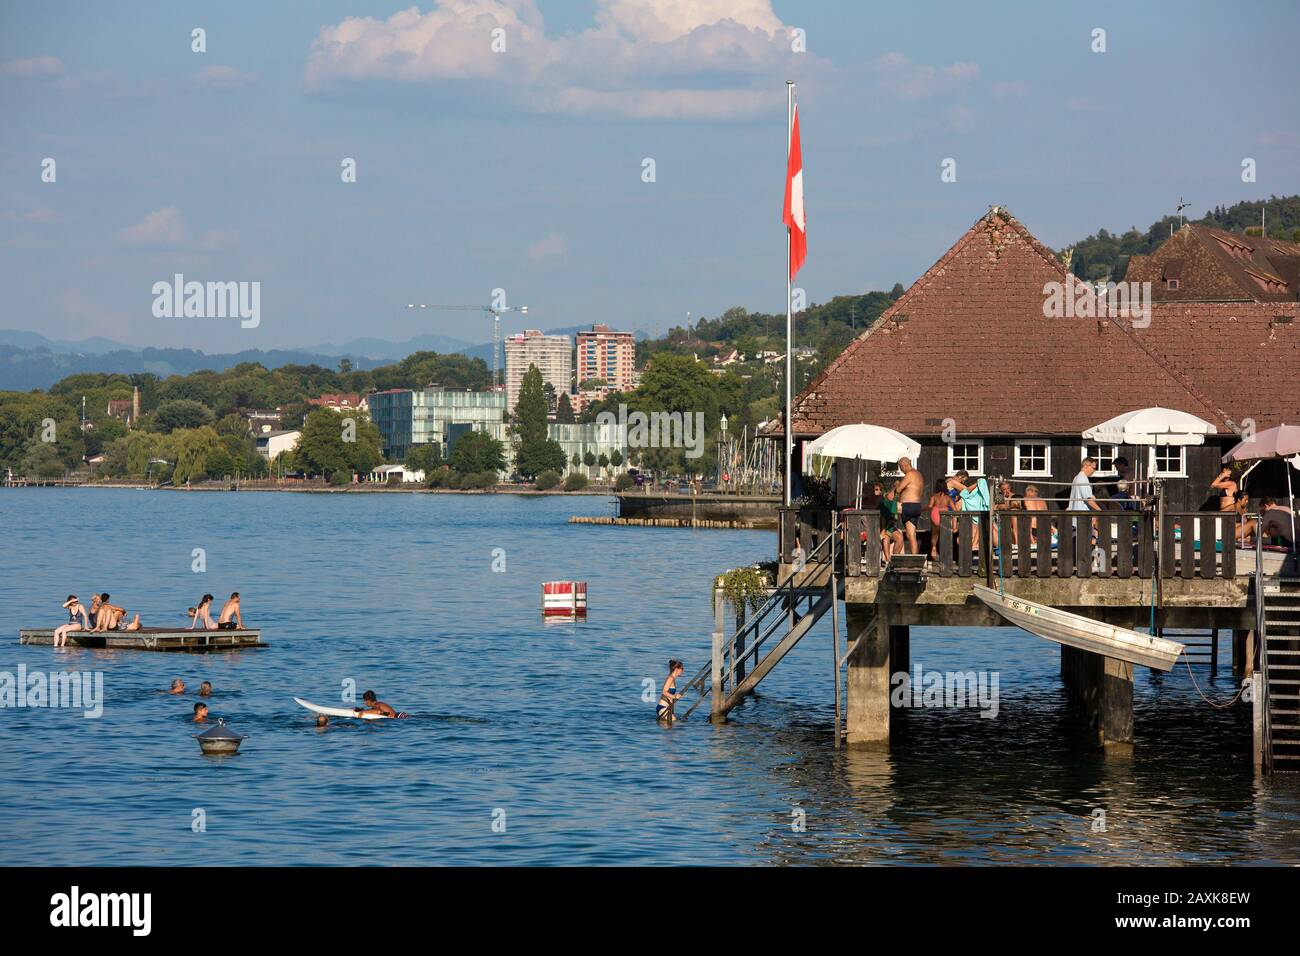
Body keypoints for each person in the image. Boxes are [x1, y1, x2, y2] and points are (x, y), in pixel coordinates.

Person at [895, 457, 924, 555]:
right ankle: (914, 558)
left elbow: (898, 490)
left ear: (903, 466)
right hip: (917, 506)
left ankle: (886, 531)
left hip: (908, 506)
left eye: (901, 468)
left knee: (887, 507)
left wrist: (897, 484)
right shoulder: (919, 474)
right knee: (911, 535)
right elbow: (920, 492)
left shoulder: (909, 474)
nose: (902, 471)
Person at [927, 479, 955, 560]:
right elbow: (955, 509)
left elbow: (930, 506)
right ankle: (945, 553)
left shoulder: (934, 496)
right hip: (945, 515)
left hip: (935, 513)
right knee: (945, 534)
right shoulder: (948, 498)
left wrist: (924, 508)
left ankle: (934, 547)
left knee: (934, 534)